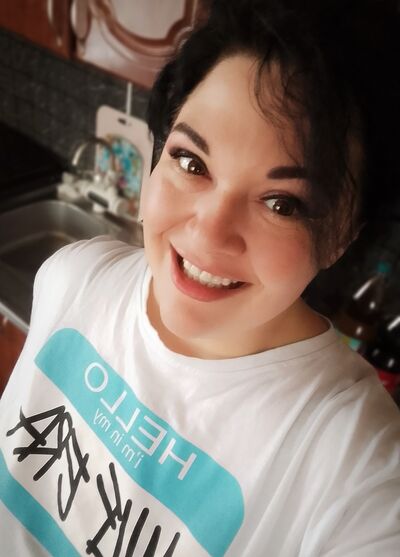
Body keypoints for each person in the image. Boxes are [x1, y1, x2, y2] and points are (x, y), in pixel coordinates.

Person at [1, 1, 399, 555]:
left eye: (282, 203)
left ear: (342, 237)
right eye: (192, 162)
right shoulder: (73, 279)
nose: (209, 233)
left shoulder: (352, 463)